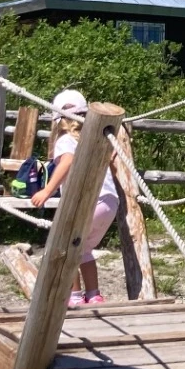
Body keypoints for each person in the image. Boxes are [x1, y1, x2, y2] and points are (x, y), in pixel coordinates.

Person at [29, 89, 119, 307]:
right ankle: (94, 295)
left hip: (88, 202)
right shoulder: (96, 138)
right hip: (109, 202)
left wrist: (47, 190)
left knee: (68, 248)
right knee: (84, 250)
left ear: (59, 121)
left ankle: (75, 295)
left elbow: (67, 162)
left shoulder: (65, 140)